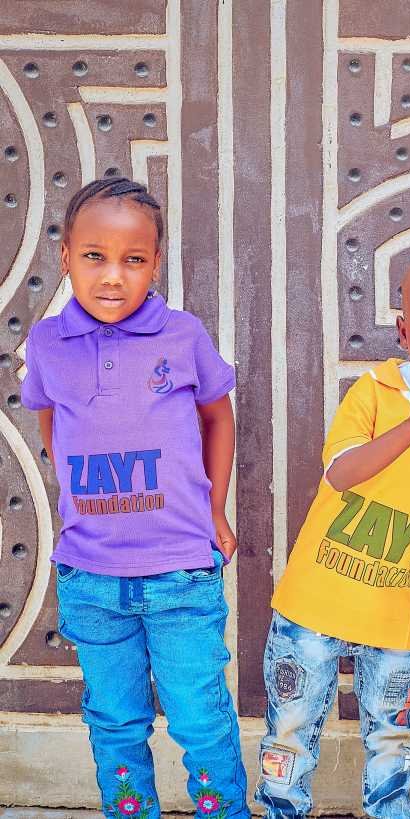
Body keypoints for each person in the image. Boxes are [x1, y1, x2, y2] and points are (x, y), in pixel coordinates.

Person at [21, 177, 248, 818]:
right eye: (95, 256)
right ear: (66, 256)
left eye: (134, 259)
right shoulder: (46, 343)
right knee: (115, 722)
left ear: (155, 263)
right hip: (91, 577)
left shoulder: (181, 335)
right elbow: (51, 421)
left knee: (199, 719)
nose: (114, 276)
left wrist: (213, 508)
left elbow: (217, 417)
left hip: (181, 572)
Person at [254, 251, 410, 819]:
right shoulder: (375, 390)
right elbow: (341, 473)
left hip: (397, 619)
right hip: (313, 608)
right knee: (289, 738)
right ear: (403, 332)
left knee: (393, 746)